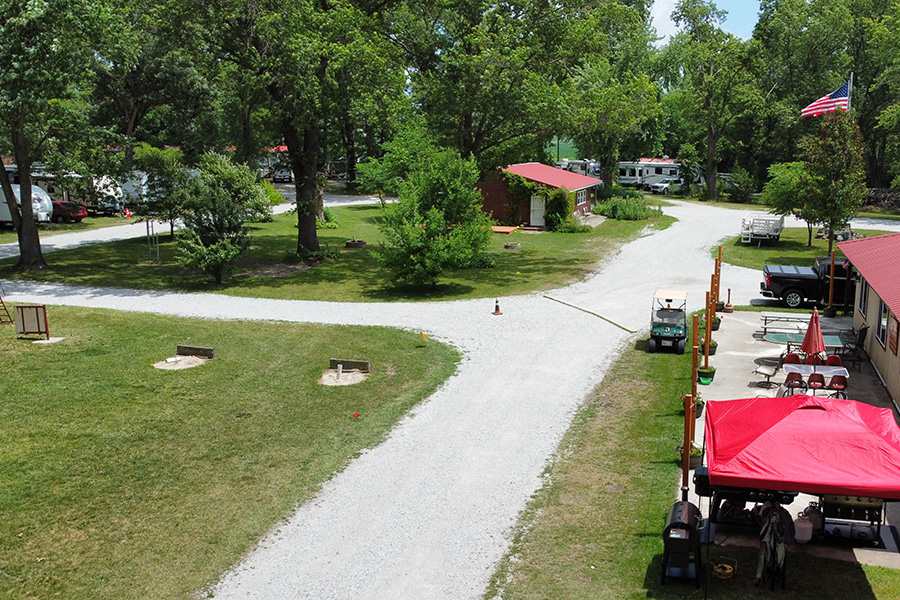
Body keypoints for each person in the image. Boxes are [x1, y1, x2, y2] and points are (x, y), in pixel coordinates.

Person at [754, 500, 794, 586]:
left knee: (763, 552)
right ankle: (773, 573)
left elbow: (763, 533)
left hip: (771, 543)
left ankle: (759, 576)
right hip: (780, 544)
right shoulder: (784, 515)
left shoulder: (769, 512)